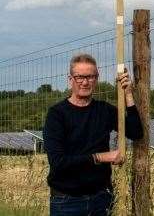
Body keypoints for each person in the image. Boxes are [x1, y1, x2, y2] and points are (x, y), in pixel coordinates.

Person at [43, 53, 143, 216]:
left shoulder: (104, 110)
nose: (85, 82)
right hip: (67, 202)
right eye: (79, 77)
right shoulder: (57, 114)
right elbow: (58, 162)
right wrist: (101, 157)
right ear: (70, 79)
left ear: (96, 79)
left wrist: (128, 94)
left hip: (101, 198)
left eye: (90, 77)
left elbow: (136, 132)